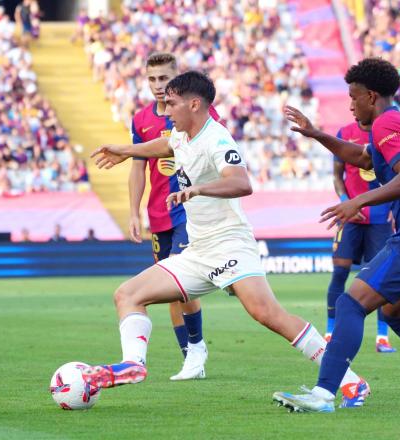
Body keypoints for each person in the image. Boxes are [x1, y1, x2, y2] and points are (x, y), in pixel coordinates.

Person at [85, 71, 370, 408]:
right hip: (198, 250)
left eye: (172, 103)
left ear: (194, 104)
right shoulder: (181, 134)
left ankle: (352, 382)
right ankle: (133, 364)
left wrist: (199, 188)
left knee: (268, 314)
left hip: (229, 244)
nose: (166, 110)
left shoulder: (217, 139)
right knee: (128, 294)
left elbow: (241, 182)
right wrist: (126, 150)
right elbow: (163, 145)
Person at [273, 58, 400, 413]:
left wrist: (358, 200)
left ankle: (323, 396)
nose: (350, 105)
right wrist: (316, 133)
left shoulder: (386, 124)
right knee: (396, 315)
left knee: (351, 304)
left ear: (371, 95)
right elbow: (363, 159)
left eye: (354, 97)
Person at [129, 52, 220, 380]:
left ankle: (195, 350)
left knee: (183, 285)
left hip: (189, 211)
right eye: (152, 79)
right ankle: (190, 356)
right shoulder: (141, 119)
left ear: (175, 78)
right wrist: (134, 211)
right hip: (158, 214)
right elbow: (138, 168)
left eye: (164, 79)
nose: (157, 85)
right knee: (170, 287)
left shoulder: (195, 111)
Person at [328, 121, 396, 353]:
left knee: (381, 277)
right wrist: (346, 203)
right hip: (350, 215)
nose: (354, 106)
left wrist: (393, 210)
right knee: (340, 271)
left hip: (379, 217)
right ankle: (330, 332)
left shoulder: (387, 132)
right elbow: (337, 176)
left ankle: (382, 337)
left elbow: (397, 176)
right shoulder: (344, 132)